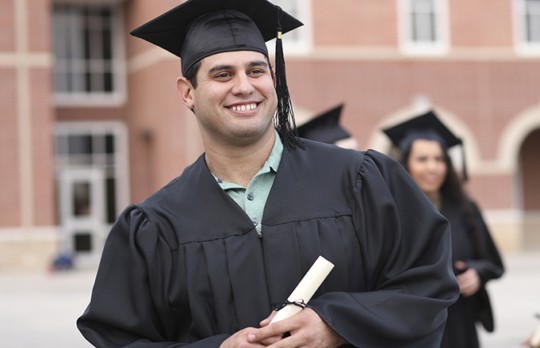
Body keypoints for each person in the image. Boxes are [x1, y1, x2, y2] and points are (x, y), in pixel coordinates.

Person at [77, 1, 459, 347]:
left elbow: (427, 285)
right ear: (187, 92)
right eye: (222, 74)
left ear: (273, 79)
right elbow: (120, 340)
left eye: (256, 70)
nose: (244, 87)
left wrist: (338, 325)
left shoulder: (360, 180)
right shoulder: (156, 226)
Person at [383, 110, 505, 348]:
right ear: (405, 163)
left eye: (439, 159)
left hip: (460, 321)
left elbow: (493, 261)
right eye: (422, 159)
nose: (433, 167)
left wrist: (477, 273)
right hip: (413, 323)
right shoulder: (392, 212)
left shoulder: (465, 208)